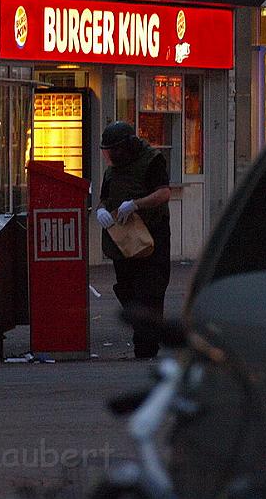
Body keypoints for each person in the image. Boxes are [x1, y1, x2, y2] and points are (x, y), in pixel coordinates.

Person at [95, 121, 171, 359]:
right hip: (124, 240)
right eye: (108, 152)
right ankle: (143, 337)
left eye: (115, 150)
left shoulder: (152, 160)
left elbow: (163, 193)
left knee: (150, 291)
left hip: (151, 236)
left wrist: (137, 204)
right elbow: (104, 198)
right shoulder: (112, 171)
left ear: (127, 146)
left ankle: (146, 348)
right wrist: (101, 211)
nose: (112, 156)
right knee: (127, 289)